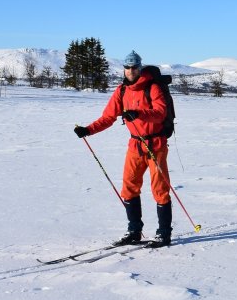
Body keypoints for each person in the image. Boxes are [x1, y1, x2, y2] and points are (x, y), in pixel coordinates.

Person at [73, 51, 173, 247]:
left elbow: (160, 113)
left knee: (160, 189)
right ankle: (134, 231)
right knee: (128, 188)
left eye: (134, 67)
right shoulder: (121, 91)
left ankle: (164, 234)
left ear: (140, 68)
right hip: (135, 145)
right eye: (127, 67)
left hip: (156, 144)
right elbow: (108, 117)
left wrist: (139, 113)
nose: (130, 71)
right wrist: (88, 130)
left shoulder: (152, 87)